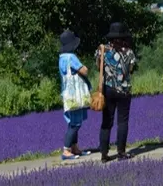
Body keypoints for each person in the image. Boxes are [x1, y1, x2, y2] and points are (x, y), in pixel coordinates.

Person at [96, 22, 137, 163]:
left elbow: (98, 66)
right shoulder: (129, 52)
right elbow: (131, 69)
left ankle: (104, 154)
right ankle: (121, 152)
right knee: (122, 121)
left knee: (107, 121)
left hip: (107, 89)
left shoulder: (102, 49)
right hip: (124, 90)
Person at [58, 30, 91, 160]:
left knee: (73, 121)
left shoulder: (61, 58)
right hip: (76, 94)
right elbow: (84, 70)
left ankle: (74, 147)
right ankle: (66, 150)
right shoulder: (71, 57)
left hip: (68, 94)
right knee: (75, 123)